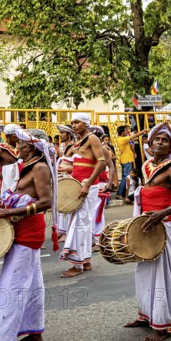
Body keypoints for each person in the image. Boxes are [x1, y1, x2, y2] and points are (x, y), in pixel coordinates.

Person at [0, 128, 57, 341]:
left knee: (12, 289)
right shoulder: (26, 168)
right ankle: (34, 335)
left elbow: (46, 202)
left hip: (27, 233)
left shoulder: (40, 168)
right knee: (33, 285)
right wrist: (2, 203)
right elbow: (25, 196)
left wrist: (9, 211)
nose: (16, 149)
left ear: (31, 148)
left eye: (20, 145)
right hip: (23, 232)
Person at [125, 122, 171, 341]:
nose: (159, 143)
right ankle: (146, 315)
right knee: (143, 272)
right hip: (146, 227)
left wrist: (162, 214)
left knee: (163, 276)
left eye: (164, 140)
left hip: (164, 228)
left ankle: (163, 325)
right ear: (150, 143)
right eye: (156, 139)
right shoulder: (146, 165)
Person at [60, 113, 106, 277]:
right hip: (77, 186)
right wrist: (67, 170)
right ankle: (85, 260)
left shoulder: (92, 138)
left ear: (86, 124)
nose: (73, 125)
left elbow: (102, 162)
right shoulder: (78, 143)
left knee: (79, 224)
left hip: (86, 187)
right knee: (83, 224)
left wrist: (87, 183)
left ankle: (77, 264)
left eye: (77, 122)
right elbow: (82, 165)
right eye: (72, 122)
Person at [116, 125, 148, 199]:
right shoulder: (122, 139)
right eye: (125, 130)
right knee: (126, 176)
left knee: (126, 176)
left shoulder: (121, 138)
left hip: (127, 159)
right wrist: (144, 131)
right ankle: (120, 193)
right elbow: (135, 135)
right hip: (126, 159)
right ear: (122, 132)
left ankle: (122, 193)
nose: (127, 131)